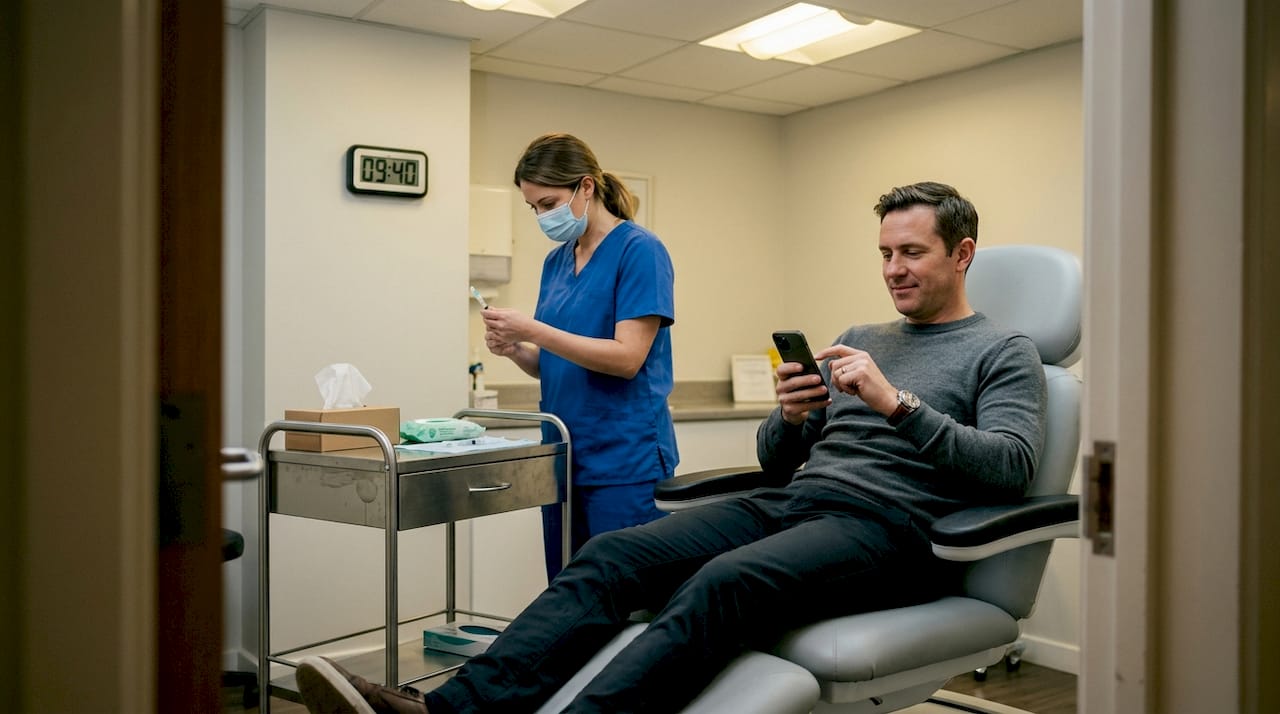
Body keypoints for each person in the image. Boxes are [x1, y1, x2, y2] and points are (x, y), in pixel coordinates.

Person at [295, 180, 1048, 714]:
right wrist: (789, 419)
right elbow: (776, 461)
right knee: (612, 559)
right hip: (796, 503)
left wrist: (896, 402)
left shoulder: (1003, 351)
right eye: (885, 253)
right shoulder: (860, 336)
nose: (893, 271)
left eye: (911, 253)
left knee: (726, 582)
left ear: (963, 253)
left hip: (891, 533)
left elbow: (1010, 468)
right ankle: (453, 711)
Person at [480, 133, 678, 578]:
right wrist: (517, 350)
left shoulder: (640, 250)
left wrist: (533, 330)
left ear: (586, 187)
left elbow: (628, 358)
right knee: (568, 594)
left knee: (623, 594)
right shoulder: (556, 262)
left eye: (548, 203)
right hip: (564, 455)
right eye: (534, 208)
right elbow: (554, 362)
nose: (542, 216)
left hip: (623, 459)